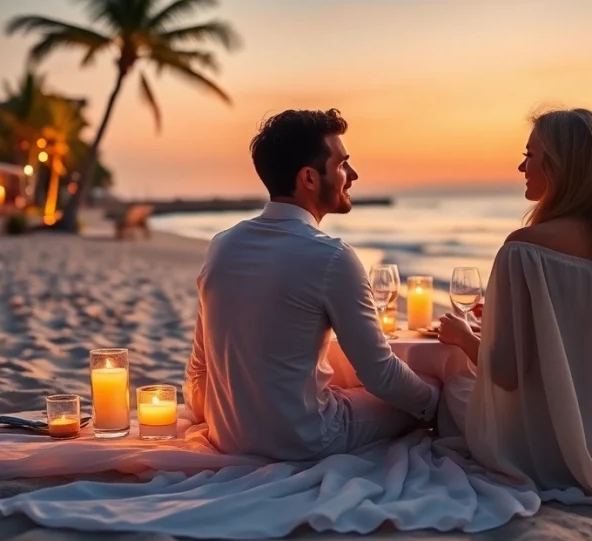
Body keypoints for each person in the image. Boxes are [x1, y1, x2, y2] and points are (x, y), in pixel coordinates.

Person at [437, 108, 592, 496]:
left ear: (558, 165)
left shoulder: (524, 249)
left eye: (530, 154)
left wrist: (464, 336)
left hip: (547, 453)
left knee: (453, 382)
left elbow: (506, 374)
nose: (521, 166)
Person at [185, 109, 439, 461]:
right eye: (342, 165)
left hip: (227, 435)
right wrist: (434, 403)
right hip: (307, 438)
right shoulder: (332, 256)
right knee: (424, 392)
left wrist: (219, 420)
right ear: (309, 178)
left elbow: (200, 367)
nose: (353, 175)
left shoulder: (221, 245)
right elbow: (379, 372)